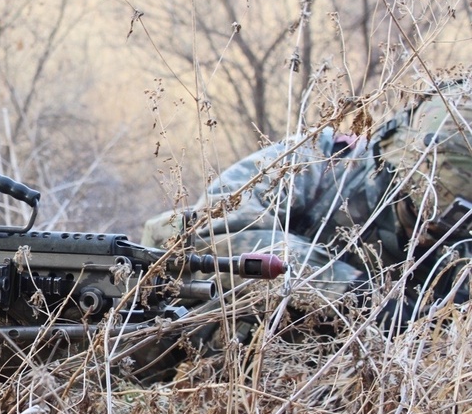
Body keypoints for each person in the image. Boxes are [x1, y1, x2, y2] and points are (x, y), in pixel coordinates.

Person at [141, 79, 472, 335]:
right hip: (174, 353)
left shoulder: (459, 251)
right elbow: (216, 232)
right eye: (421, 209)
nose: (430, 231)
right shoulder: (318, 160)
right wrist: (353, 293)